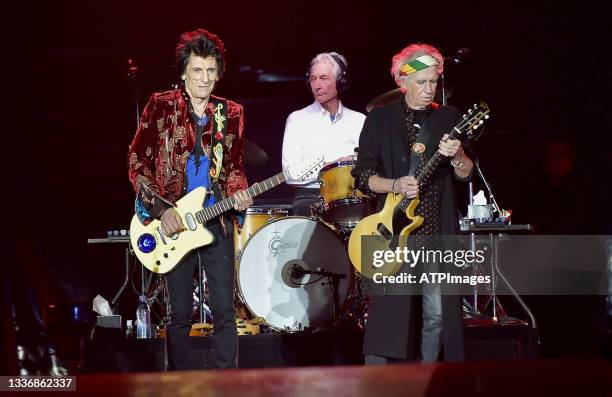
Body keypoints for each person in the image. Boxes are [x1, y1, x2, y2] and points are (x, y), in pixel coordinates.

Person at [127, 28, 252, 370]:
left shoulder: (232, 113)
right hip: (174, 220)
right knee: (178, 311)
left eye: (211, 70)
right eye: (197, 70)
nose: (205, 78)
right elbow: (138, 161)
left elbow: (235, 167)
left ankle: (226, 381)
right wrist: (160, 209)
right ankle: (179, 381)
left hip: (216, 217)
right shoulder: (161, 105)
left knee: (225, 309)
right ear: (183, 72)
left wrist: (238, 192)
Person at [352, 43, 474, 364]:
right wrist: (394, 184)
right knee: (386, 314)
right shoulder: (379, 121)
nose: (428, 89)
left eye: (433, 81)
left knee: (436, 314)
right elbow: (363, 176)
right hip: (391, 230)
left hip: (435, 228)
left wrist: (457, 155)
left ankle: (426, 378)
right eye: (421, 82)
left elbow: (465, 173)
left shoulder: (449, 118)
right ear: (402, 81)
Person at [282, 52, 366, 216]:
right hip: (311, 198)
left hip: (352, 195)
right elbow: (290, 174)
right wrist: (332, 167)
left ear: (340, 81)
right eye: (313, 79)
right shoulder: (297, 119)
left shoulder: (359, 120)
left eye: (323, 78)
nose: (317, 85)